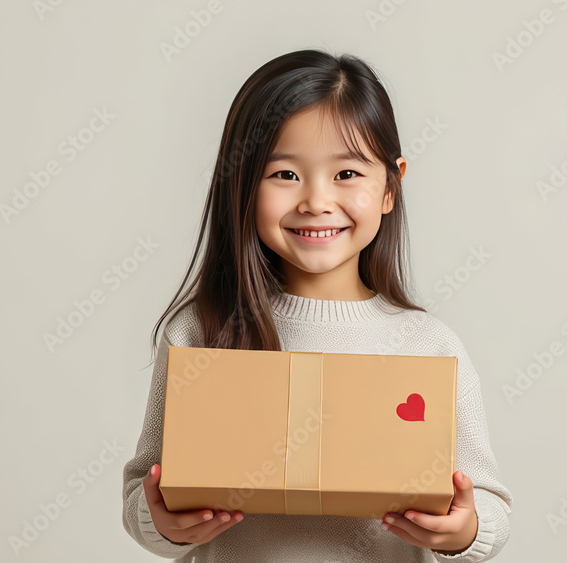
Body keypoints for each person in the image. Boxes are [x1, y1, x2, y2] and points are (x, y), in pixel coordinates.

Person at [121, 48, 513, 562]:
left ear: (390, 186)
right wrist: (163, 522)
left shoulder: (428, 345)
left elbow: (487, 501)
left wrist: (465, 531)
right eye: (285, 174)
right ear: (243, 183)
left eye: (347, 174)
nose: (316, 202)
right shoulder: (200, 332)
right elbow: (144, 489)